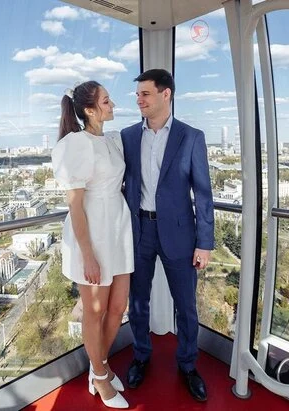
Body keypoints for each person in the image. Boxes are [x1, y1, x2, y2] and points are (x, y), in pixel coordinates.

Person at [120, 69, 214, 402]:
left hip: (180, 234)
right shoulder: (128, 136)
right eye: (137, 95)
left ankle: (188, 365)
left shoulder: (191, 137)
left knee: (186, 306)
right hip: (139, 231)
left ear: (166, 94)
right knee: (138, 302)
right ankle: (141, 356)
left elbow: (203, 194)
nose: (139, 100)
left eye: (145, 93)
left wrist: (205, 243)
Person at [51, 81, 132, 409]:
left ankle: (101, 365)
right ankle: (99, 376)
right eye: (106, 101)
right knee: (94, 311)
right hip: (93, 231)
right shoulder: (77, 144)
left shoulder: (111, 140)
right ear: (89, 110)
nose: (113, 105)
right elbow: (75, 205)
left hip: (118, 227)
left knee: (118, 307)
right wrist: (88, 255)